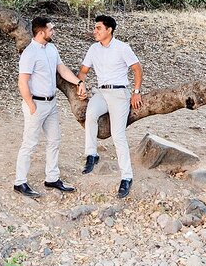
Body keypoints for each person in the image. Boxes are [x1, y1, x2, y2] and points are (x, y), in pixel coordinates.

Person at [13, 16, 85, 198]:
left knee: (55, 140)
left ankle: (52, 178)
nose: (53, 32)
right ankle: (19, 182)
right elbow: (22, 82)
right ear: (41, 32)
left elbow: (62, 69)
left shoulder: (51, 48)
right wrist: (30, 104)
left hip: (51, 103)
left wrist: (78, 82)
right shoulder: (29, 53)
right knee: (29, 143)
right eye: (51, 29)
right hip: (36, 104)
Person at [74, 14, 143, 198]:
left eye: (98, 28)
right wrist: (81, 84)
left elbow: (137, 68)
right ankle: (91, 155)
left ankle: (126, 177)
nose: (94, 31)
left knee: (118, 134)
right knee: (90, 115)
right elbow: (83, 71)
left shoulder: (122, 47)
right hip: (101, 92)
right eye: (95, 28)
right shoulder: (93, 49)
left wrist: (136, 92)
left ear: (109, 30)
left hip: (120, 93)